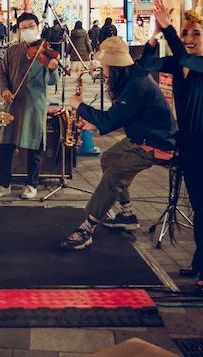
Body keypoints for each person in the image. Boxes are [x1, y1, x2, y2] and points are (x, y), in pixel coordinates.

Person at [141, 2, 203, 293]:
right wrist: (155, 34)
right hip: (191, 148)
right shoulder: (176, 63)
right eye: (185, 33)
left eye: (196, 33)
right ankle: (199, 261)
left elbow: (183, 56)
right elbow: (146, 65)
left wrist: (168, 28)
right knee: (198, 207)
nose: (190, 38)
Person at [61, 36, 177, 251]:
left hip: (157, 143)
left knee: (114, 174)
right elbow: (117, 118)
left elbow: (110, 120)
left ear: (115, 67)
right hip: (140, 136)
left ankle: (87, 228)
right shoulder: (133, 73)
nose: (102, 69)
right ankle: (127, 214)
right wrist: (95, 125)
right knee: (109, 158)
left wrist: (80, 106)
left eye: (104, 65)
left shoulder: (135, 85)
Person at [0, 12, 59, 199]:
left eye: (31, 26)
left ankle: (32, 185)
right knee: (5, 145)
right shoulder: (12, 51)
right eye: (24, 27)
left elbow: (51, 81)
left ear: (38, 27)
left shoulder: (45, 51)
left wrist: (53, 68)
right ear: (19, 31)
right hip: (12, 104)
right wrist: (5, 90)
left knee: (34, 146)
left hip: (34, 104)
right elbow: (1, 73)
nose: (28, 30)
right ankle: (4, 184)